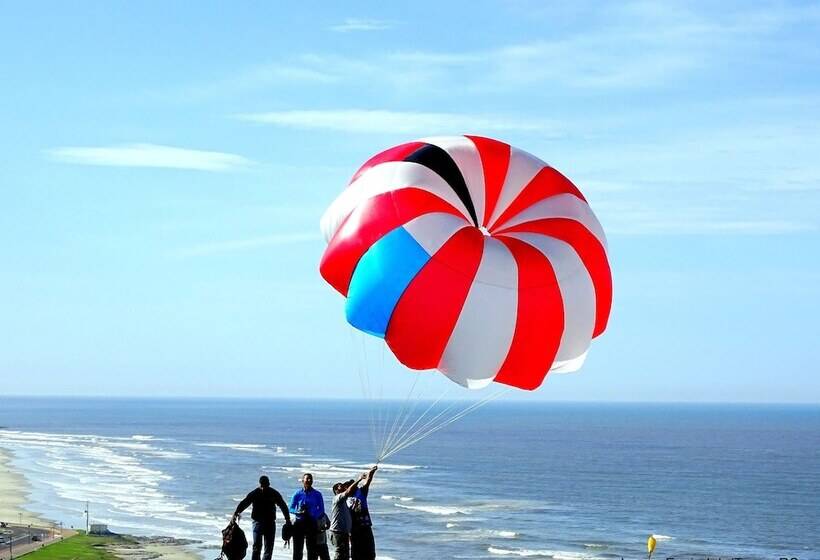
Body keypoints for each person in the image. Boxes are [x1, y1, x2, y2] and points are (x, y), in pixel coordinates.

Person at [233, 475, 292, 560]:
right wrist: (236, 513)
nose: (264, 487)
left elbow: (283, 505)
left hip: (270, 523)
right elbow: (245, 503)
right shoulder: (255, 493)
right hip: (257, 522)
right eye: (262, 485)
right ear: (260, 484)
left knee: (268, 548)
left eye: (266, 485)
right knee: (257, 546)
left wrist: (287, 519)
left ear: (269, 484)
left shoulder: (273, 493)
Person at [329, 474, 366, 560]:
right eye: (339, 486)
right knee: (340, 554)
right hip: (337, 532)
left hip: (342, 533)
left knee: (344, 555)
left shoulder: (344, 502)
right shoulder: (337, 498)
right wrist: (359, 479)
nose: (341, 486)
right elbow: (348, 491)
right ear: (336, 491)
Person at [289, 472, 325, 560]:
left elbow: (321, 510)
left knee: (312, 550)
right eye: (307, 479)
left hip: (311, 523)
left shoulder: (317, 494)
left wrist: (313, 514)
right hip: (299, 523)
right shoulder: (297, 493)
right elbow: (291, 508)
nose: (309, 480)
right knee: (297, 549)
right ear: (302, 481)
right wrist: (298, 511)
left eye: (310, 479)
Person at [349, 466, 377, 560]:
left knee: (369, 551)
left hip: (365, 525)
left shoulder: (361, 492)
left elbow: (368, 480)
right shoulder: (345, 497)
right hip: (354, 528)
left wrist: (372, 472)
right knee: (356, 552)